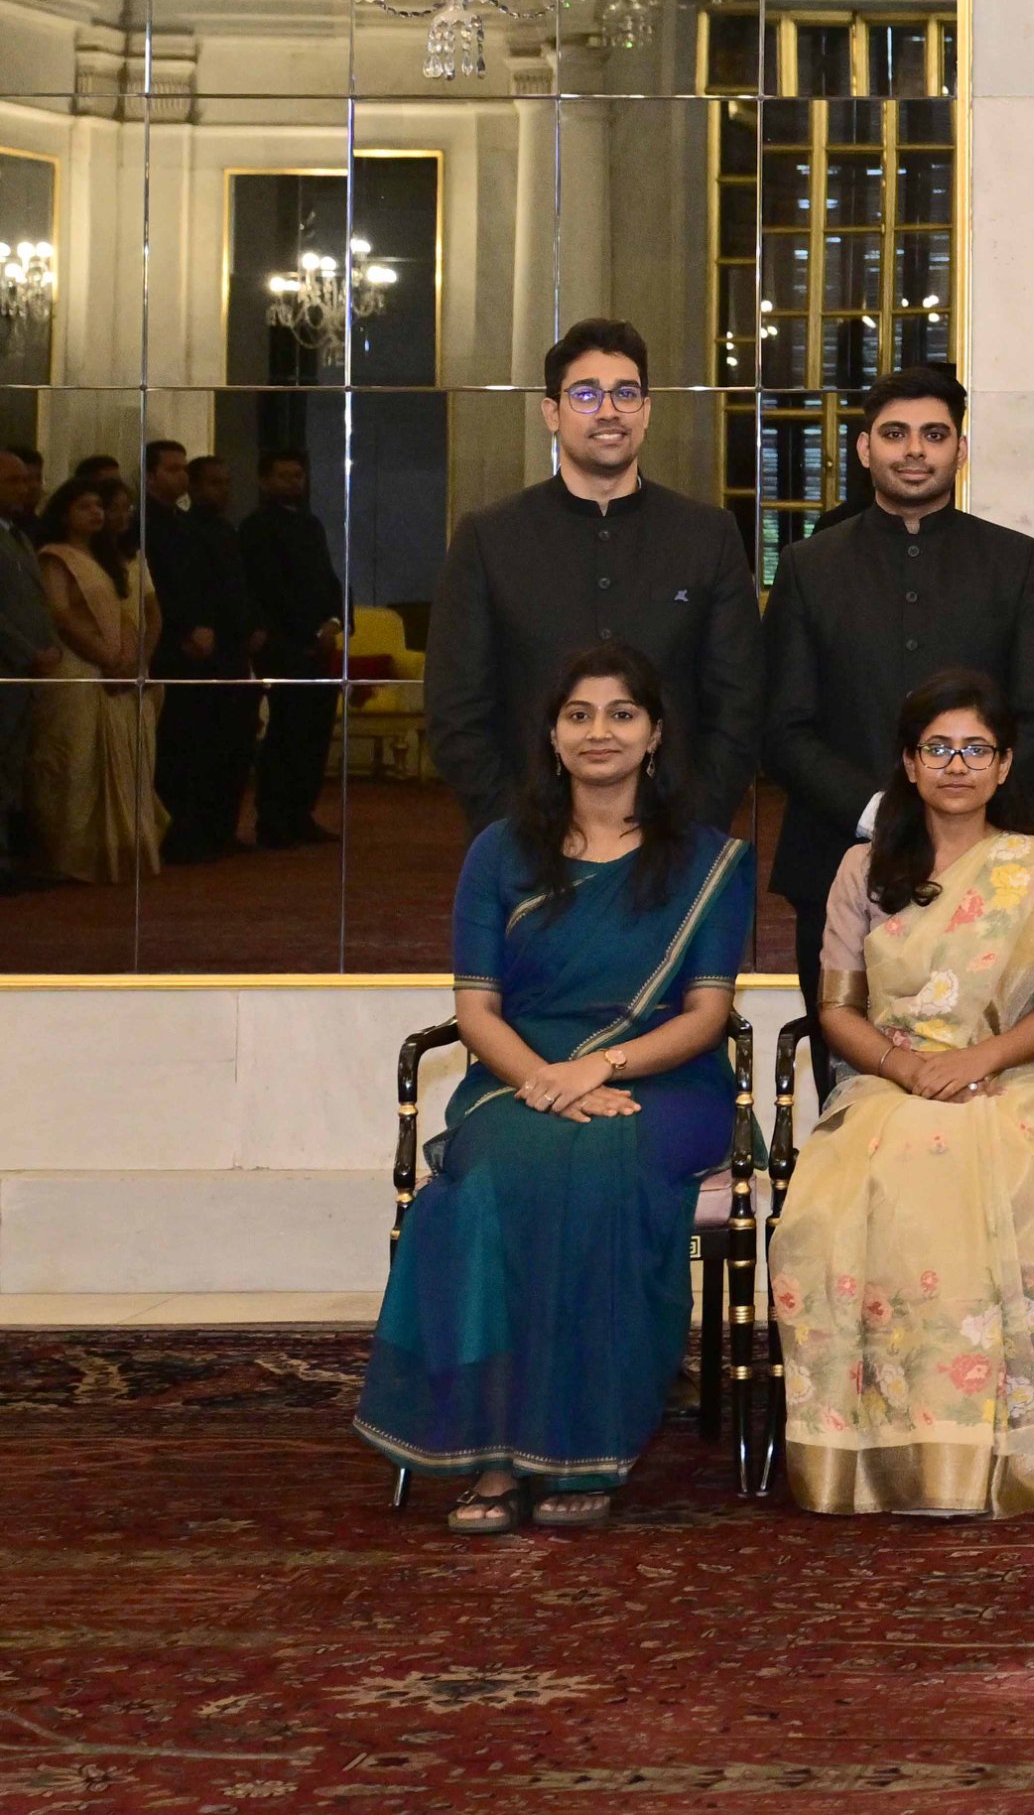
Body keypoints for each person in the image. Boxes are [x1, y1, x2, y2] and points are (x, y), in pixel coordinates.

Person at [352, 645, 753, 1530]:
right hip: (517, 1078)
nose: (599, 731)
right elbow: (476, 1009)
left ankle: (583, 1444)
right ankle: (495, 1454)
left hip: (664, 1081)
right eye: (579, 714)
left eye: (621, 713)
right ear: (552, 734)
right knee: (489, 1183)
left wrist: (598, 1068)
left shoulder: (708, 861)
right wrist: (545, 1079)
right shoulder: (500, 851)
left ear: (655, 734)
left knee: (601, 1164)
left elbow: (705, 1015)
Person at [772, 672, 1034, 1517]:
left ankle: (984, 1448)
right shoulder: (864, 867)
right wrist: (904, 1068)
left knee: (1020, 1176)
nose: (957, 764)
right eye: (937, 747)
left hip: (1009, 1079)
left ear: (1006, 764)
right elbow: (836, 1007)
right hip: (889, 1079)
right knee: (855, 1189)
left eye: (977, 749)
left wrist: (980, 1058)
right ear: (908, 762)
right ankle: (881, 1449)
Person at [760, 367, 1034, 920]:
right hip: (838, 845)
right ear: (864, 448)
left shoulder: (1017, 561)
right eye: (894, 433)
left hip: (994, 854)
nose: (914, 450)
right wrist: (874, 811)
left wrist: (966, 806)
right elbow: (783, 724)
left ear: (960, 450)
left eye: (934, 434)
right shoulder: (809, 566)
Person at [427, 322, 760, 831]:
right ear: (551, 413)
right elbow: (457, 712)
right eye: (585, 395)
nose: (608, 411)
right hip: (528, 833)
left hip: (676, 832)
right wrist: (518, 832)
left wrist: (689, 826)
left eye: (626, 394)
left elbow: (739, 703)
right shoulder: (488, 538)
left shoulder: (707, 535)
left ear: (646, 411)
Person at [28, 472, 160, 885]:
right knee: (75, 765)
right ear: (63, 513)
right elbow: (61, 614)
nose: (96, 513)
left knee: (111, 765)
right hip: (76, 670)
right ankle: (69, 858)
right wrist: (106, 657)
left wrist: (131, 660)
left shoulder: (105, 558)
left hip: (112, 672)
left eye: (99, 506)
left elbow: (125, 612)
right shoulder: (54, 556)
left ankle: (110, 855)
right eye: (84, 506)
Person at [143, 438, 255, 862]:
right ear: (150, 475)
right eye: (172, 469)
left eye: (183, 468)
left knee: (219, 745)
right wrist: (188, 628)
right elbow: (158, 588)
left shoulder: (197, 526)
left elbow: (218, 585)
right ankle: (181, 836)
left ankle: (211, 831)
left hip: (218, 646)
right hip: (178, 648)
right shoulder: (147, 525)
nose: (181, 476)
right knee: (182, 746)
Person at [240, 451, 345, 848]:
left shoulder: (311, 524)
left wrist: (334, 621)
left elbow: (329, 580)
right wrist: (307, 633)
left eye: (298, 475)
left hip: (317, 643)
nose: (293, 482)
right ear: (264, 481)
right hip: (283, 644)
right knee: (286, 732)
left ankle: (301, 813)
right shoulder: (255, 527)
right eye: (283, 475)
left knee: (314, 733)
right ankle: (274, 818)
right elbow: (267, 589)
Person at [0, 446, 63, 881]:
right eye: (13, 481)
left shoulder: (20, 537)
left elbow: (37, 604)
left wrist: (51, 646)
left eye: (27, 480)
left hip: (25, 673)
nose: (25, 489)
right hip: (8, 667)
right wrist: (29, 651)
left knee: (12, 767)